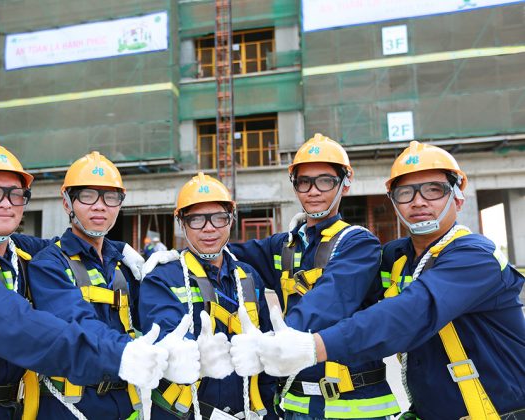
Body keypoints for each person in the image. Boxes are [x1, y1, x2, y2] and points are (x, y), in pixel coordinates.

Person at [0, 140, 180, 419]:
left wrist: (121, 250)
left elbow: (70, 244)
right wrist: (120, 355)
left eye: (15, 194)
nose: (5, 204)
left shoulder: (19, 252)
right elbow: (19, 328)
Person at [240, 141, 525, 420]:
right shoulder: (397, 258)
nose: (418, 201)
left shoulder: (475, 257)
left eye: (433, 190)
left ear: (458, 197)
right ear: (393, 202)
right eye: (406, 193)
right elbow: (341, 285)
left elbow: (409, 313)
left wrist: (312, 346)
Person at [227, 134, 399, 419]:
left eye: (325, 181)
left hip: (354, 406)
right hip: (296, 403)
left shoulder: (358, 243)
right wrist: (175, 258)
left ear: (345, 183)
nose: (313, 191)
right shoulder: (285, 245)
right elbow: (225, 255)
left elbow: (329, 301)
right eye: (304, 182)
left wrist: (270, 343)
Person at [27, 151, 199, 419]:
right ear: (66, 202)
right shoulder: (49, 264)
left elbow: (153, 314)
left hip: (128, 402)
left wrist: (176, 342)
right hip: (71, 405)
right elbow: (74, 321)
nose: (100, 206)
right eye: (87, 196)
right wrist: (130, 351)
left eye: (110, 197)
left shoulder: (124, 264)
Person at [139, 172, 275, 419]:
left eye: (219, 218)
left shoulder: (248, 277)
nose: (209, 228)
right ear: (181, 223)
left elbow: (266, 368)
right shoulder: (162, 279)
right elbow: (165, 335)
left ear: (231, 219)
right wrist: (188, 353)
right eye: (196, 220)